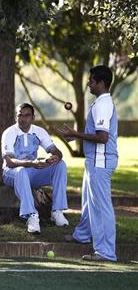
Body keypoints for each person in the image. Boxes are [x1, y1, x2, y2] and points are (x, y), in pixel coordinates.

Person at [58, 65, 118, 261]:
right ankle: (83, 235)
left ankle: (106, 252)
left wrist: (75, 134)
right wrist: (77, 136)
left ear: (101, 83)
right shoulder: (100, 102)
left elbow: (102, 137)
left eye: (91, 81)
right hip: (94, 160)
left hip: (101, 161)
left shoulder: (103, 104)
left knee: (101, 207)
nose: (88, 83)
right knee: (88, 202)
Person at [1, 103, 69, 234]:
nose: (23, 118)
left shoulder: (39, 131)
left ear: (33, 117)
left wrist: (54, 158)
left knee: (60, 165)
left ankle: (57, 212)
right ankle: (32, 216)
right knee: (21, 171)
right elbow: (9, 162)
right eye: (20, 115)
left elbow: (56, 151)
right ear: (16, 116)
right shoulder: (9, 133)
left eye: (27, 115)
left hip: (32, 171)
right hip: (12, 173)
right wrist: (31, 163)